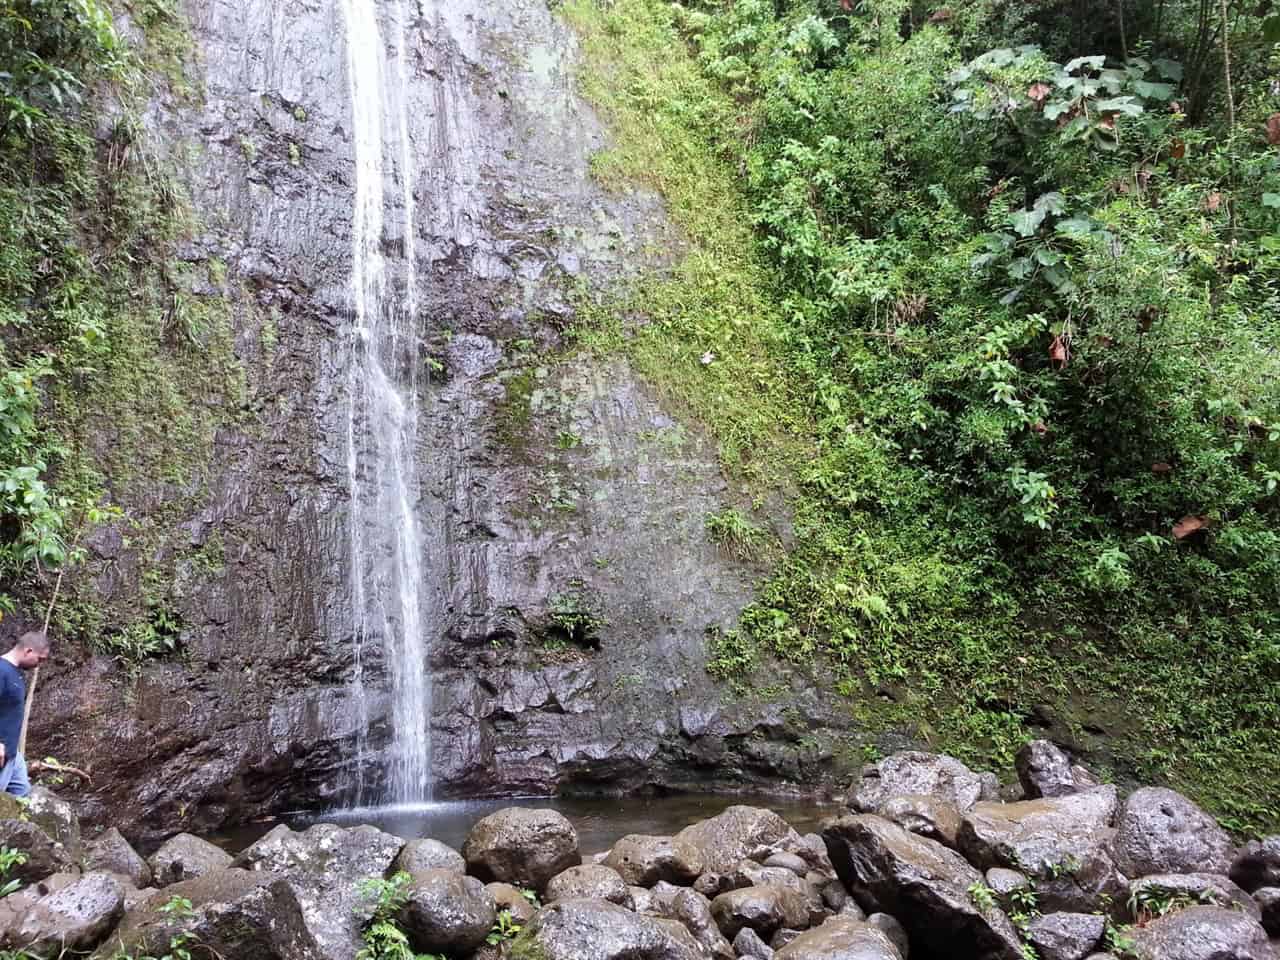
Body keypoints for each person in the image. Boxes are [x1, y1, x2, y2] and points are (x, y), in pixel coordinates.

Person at [0, 630, 51, 797]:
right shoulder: (1, 670)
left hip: (12, 754)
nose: (39, 665)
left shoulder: (17, 674)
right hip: (1, 752)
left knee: (23, 798)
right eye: (40, 659)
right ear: (28, 650)